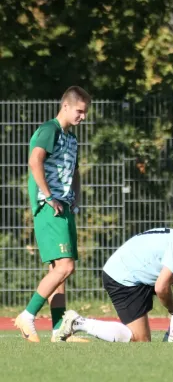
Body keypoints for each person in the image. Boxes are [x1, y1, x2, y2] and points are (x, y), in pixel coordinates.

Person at [55, 213, 173, 342]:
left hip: (141, 274)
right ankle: (78, 323)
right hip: (123, 277)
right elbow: (161, 287)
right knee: (140, 340)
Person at [14, 86, 91, 343]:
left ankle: (59, 330)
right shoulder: (50, 130)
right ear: (66, 106)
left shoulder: (72, 138)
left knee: (60, 270)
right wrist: (48, 196)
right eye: (80, 111)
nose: (83, 116)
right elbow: (35, 161)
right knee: (65, 266)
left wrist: (75, 200)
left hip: (64, 206)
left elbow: (75, 171)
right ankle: (26, 315)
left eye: (85, 112)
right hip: (49, 206)